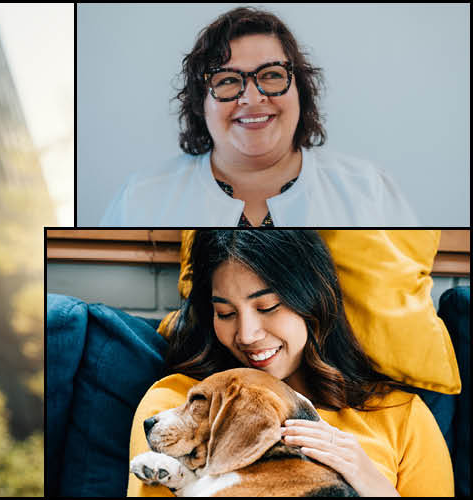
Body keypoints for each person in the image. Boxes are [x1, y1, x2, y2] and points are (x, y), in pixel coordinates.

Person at [127, 230, 452, 496]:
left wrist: (370, 481)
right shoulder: (175, 405)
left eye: (268, 306)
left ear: (313, 300)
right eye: (225, 313)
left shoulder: (401, 416)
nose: (247, 334)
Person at [100, 7, 416, 226]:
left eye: (272, 75)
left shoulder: (368, 191)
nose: (252, 98)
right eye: (227, 81)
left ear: (300, 90)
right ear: (201, 102)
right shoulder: (141, 199)